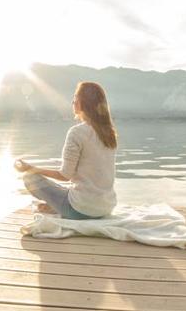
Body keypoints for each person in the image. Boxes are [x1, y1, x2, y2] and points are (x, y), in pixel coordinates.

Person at [14, 81, 118, 219]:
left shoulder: (77, 133)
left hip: (80, 210)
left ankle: (60, 207)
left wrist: (32, 168)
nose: (73, 102)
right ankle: (56, 205)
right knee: (68, 190)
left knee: (30, 178)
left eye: (75, 97)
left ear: (82, 103)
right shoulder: (109, 133)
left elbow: (65, 175)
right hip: (106, 207)